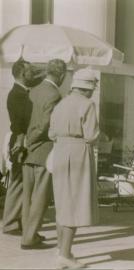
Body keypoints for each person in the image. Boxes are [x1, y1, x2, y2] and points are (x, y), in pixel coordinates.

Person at [48, 68, 100, 268]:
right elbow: (91, 135)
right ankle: (65, 255)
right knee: (75, 203)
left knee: (62, 202)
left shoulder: (61, 103)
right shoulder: (87, 105)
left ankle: (61, 250)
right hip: (78, 153)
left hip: (60, 151)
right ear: (88, 88)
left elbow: (51, 133)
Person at [21, 59, 67, 249]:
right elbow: (45, 123)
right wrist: (33, 140)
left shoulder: (33, 90)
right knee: (40, 196)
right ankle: (29, 238)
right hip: (43, 149)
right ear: (62, 75)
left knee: (28, 196)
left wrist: (26, 142)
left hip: (28, 151)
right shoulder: (54, 95)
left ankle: (28, 233)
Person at [2, 59, 34, 234]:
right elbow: (19, 122)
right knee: (17, 182)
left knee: (20, 181)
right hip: (20, 141)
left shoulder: (20, 92)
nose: (32, 74)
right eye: (30, 71)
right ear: (22, 73)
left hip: (21, 139)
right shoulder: (18, 94)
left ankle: (14, 221)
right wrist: (21, 142)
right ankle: (10, 223)